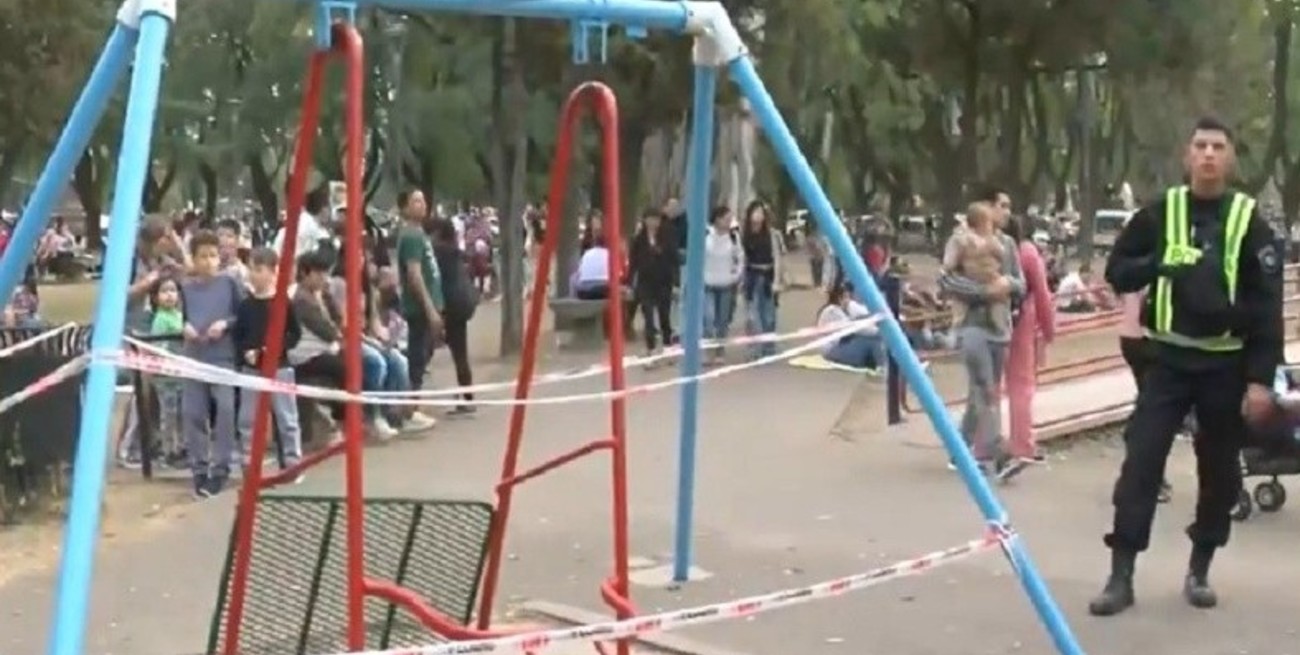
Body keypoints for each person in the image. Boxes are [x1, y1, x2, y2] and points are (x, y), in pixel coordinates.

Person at [1089, 117, 1284, 617]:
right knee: (1141, 465)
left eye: (1219, 146)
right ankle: (1120, 575)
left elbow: (1266, 308)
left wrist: (1260, 380)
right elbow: (1117, 271)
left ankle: (1199, 570)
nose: (1209, 155)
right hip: (1167, 362)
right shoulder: (1160, 214)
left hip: (1225, 365)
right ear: (1187, 155)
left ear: (1231, 157)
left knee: (1219, 474)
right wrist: (1159, 265)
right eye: (1200, 146)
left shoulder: (1249, 220)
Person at [939, 185, 1028, 481]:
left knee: (982, 393)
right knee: (984, 389)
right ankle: (998, 454)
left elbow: (1021, 283)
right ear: (987, 208)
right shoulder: (961, 241)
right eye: (1002, 206)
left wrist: (1007, 286)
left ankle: (959, 452)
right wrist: (982, 292)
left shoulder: (1008, 246)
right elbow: (946, 279)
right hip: (971, 325)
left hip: (1000, 327)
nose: (1006, 213)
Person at [180, 230, 244, 498]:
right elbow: (177, 314)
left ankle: (220, 468)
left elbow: (241, 314)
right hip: (194, 356)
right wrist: (184, 326)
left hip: (222, 357)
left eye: (213, 256)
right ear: (193, 259)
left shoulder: (229, 284)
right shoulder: (185, 287)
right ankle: (198, 468)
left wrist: (225, 324)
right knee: (193, 413)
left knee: (226, 411)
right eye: (202, 256)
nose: (208, 262)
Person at [233, 247, 305, 473]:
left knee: (287, 418)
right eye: (251, 269)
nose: (253, 275)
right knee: (247, 419)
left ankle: (292, 463)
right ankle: (249, 462)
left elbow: (294, 334)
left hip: (280, 368)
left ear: (273, 272)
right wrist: (245, 351)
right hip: (251, 370)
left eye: (259, 269)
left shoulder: (282, 303)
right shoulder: (245, 305)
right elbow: (238, 335)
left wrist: (275, 348)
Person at [1004, 214, 1056, 464]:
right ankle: (1022, 445)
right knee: (1021, 387)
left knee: (986, 387)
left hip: (988, 321)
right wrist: (1049, 329)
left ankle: (981, 445)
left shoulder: (988, 248)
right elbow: (1043, 294)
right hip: (1020, 323)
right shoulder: (1026, 252)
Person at [395, 189, 445, 396]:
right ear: (405, 208)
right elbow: (414, 274)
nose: (422, 204)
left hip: (431, 303)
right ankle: (410, 401)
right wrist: (429, 308)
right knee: (418, 354)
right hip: (419, 308)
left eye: (423, 200)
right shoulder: (411, 236)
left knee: (426, 350)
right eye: (416, 201)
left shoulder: (420, 233)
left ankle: (412, 395)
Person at [430, 217, 480, 416]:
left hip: (450, 306)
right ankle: (467, 396)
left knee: (437, 349)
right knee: (460, 352)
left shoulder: (438, 252)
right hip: (462, 304)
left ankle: (466, 397)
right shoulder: (454, 252)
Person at [943, 201, 1011, 337]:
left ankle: (1000, 329)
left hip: (991, 278)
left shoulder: (996, 240)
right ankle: (954, 333)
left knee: (998, 306)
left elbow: (1004, 257)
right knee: (960, 311)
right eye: (989, 223)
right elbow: (948, 268)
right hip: (973, 280)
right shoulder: (961, 239)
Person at [628, 208, 679, 359]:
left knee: (664, 315)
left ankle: (667, 345)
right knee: (648, 316)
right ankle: (650, 348)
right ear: (644, 220)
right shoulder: (639, 239)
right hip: (645, 283)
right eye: (650, 219)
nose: (653, 223)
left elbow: (674, 259)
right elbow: (633, 262)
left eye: (656, 219)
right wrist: (630, 282)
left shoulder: (667, 236)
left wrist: (676, 282)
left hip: (664, 281)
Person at [148, 276, 185, 467]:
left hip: (181, 373)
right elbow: (159, 348)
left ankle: (180, 447)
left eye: (172, 290)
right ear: (155, 297)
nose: (169, 295)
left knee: (181, 413)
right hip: (166, 375)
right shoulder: (160, 320)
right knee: (168, 413)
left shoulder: (179, 316)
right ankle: (168, 450)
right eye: (164, 291)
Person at [740, 200, 784, 360]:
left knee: (768, 315)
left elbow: (777, 258)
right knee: (751, 315)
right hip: (751, 276)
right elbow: (742, 257)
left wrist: (777, 281)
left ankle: (768, 347)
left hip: (767, 276)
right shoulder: (744, 234)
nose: (758, 215)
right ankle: (754, 349)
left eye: (761, 212)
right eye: (755, 211)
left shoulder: (771, 234)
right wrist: (741, 278)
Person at [702, 205, 744, 365]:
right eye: (726, 219)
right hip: (707, 283)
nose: (728, 222)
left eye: (730, 219)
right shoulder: (706, 234)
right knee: (708, 317)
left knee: (722, 320)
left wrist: (737, 275)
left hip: (726, 284)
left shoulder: (734, 237)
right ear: (718, 219)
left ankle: (720, 351)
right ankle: (707, 350)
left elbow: (740, 257)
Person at [816, 283, 882, 371]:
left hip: (844, 344)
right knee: (869, 340)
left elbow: (866, 312)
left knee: (872, 338)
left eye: (849, 297)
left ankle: (881, 363)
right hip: (832, 349)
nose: (848, 300)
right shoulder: (832, 311)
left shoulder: (848, 306)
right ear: (839, 298)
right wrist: (880, 332)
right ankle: (882, 365)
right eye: (845, 297)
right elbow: (854, 329)